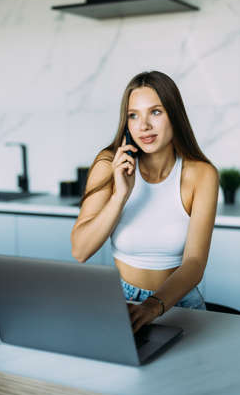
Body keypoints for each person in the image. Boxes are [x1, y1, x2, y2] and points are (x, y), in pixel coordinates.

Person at [71, 71, 219, 334]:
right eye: (133, 115)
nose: (144, 126)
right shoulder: (108, 164)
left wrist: (152, 306)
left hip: (178, 303)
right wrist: (120, 196)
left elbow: (195, 263)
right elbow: (80, 251)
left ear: (174, 114)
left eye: (156, 112)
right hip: (120, 301)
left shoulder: (202, 174)